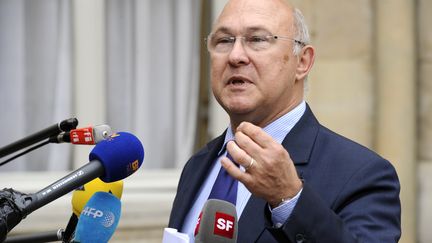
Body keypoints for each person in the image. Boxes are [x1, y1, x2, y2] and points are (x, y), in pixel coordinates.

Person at [168, 0, 401, 242]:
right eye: (224, 41)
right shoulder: (198, 165)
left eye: (257, 40)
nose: (236, 56)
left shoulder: (362, 174)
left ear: (302, 62)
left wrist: (289, 198)